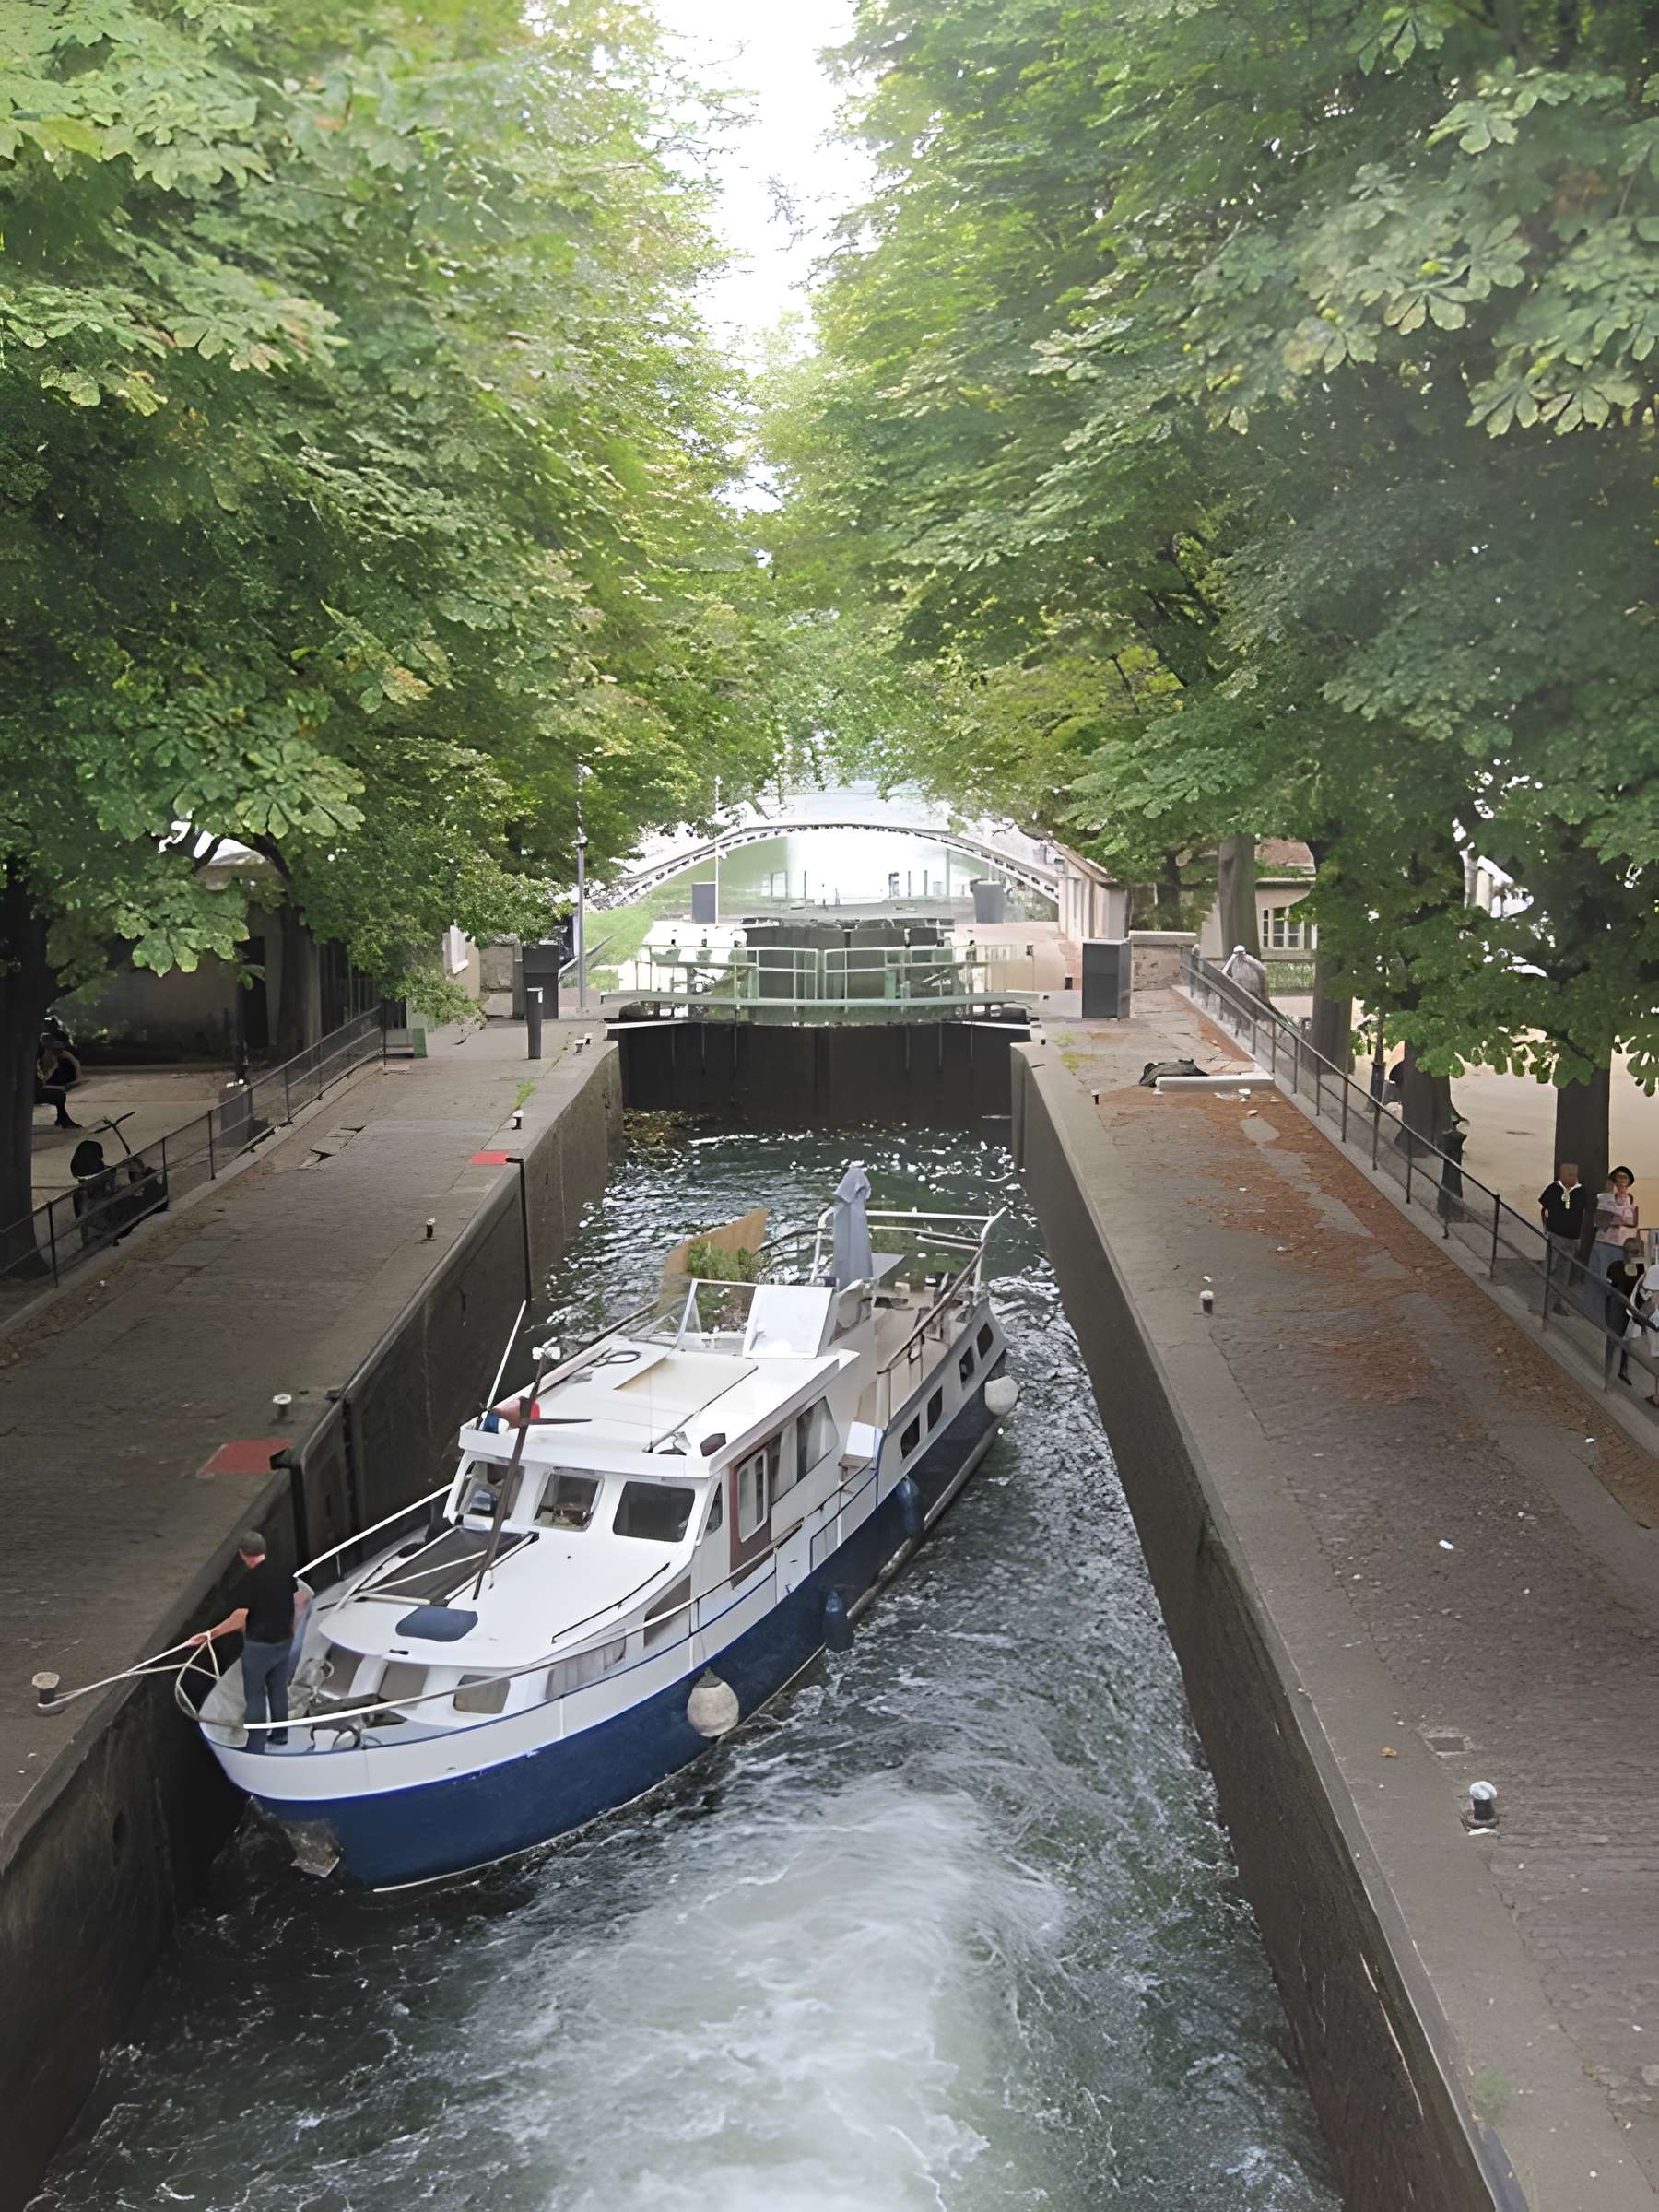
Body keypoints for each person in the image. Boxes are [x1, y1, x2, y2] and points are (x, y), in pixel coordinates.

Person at [189, 1531, 301, 1752]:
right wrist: (291, 1629)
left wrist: (210, 1634)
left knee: (255, 1694)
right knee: (278, 1689)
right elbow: (299, 1600)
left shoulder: (249, 1581)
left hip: (259, 1647)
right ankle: (280, 1736)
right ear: (264, 1550)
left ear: (242, 1554)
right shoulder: (283, 1571)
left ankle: (256, 1744)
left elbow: (240, 1616)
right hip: (284, 1642)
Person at [1603, 1236, 1654, 1392]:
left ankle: (1620, 1370)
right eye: (1634, 1252)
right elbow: (1610, 1288)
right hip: (1620, 1308)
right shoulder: (1617, 1267)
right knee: (1615, 1341)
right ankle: (1610, 1375)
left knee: (1625, 1341)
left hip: (1631, 1309)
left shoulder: (1642, 1269)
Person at [1539, 1161, 1587, 1312]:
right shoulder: (1554, 1189)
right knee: (1551, 1267)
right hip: (1556, 1234)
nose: (1572, 1176)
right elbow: (1544, 1209)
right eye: (1568, 1173)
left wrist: (1580, 1237)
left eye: (1574, 1174)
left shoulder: (1580, 1191)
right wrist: (1546, 1228)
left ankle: (1558, 1302)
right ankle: (1545, 1300)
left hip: (1572, 1237)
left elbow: (1583, 1215)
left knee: (1565, 1272)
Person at [1589, 1166, 1638, 1287]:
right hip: (1605, 1243)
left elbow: (1634, 1222)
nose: (1621, 1181)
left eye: (1625, 1178)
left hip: (1622, 1246)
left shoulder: (1630, 1199)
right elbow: (1600, 1221)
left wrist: (1617, 1219)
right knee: (1601, 1279)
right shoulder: (1604, 1198)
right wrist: (1621, 1219)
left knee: (1618, 1280)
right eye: (1619, 1177)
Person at [34, 1041, 80, 1130]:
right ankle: (63, 1120)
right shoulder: (35, 1064)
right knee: (60, 1096)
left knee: (59, 1094)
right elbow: (41, 1084)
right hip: (32, 1095)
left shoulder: (37, 1062)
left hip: (32, 1092)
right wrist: (53, 1068)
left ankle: (62, 1119)